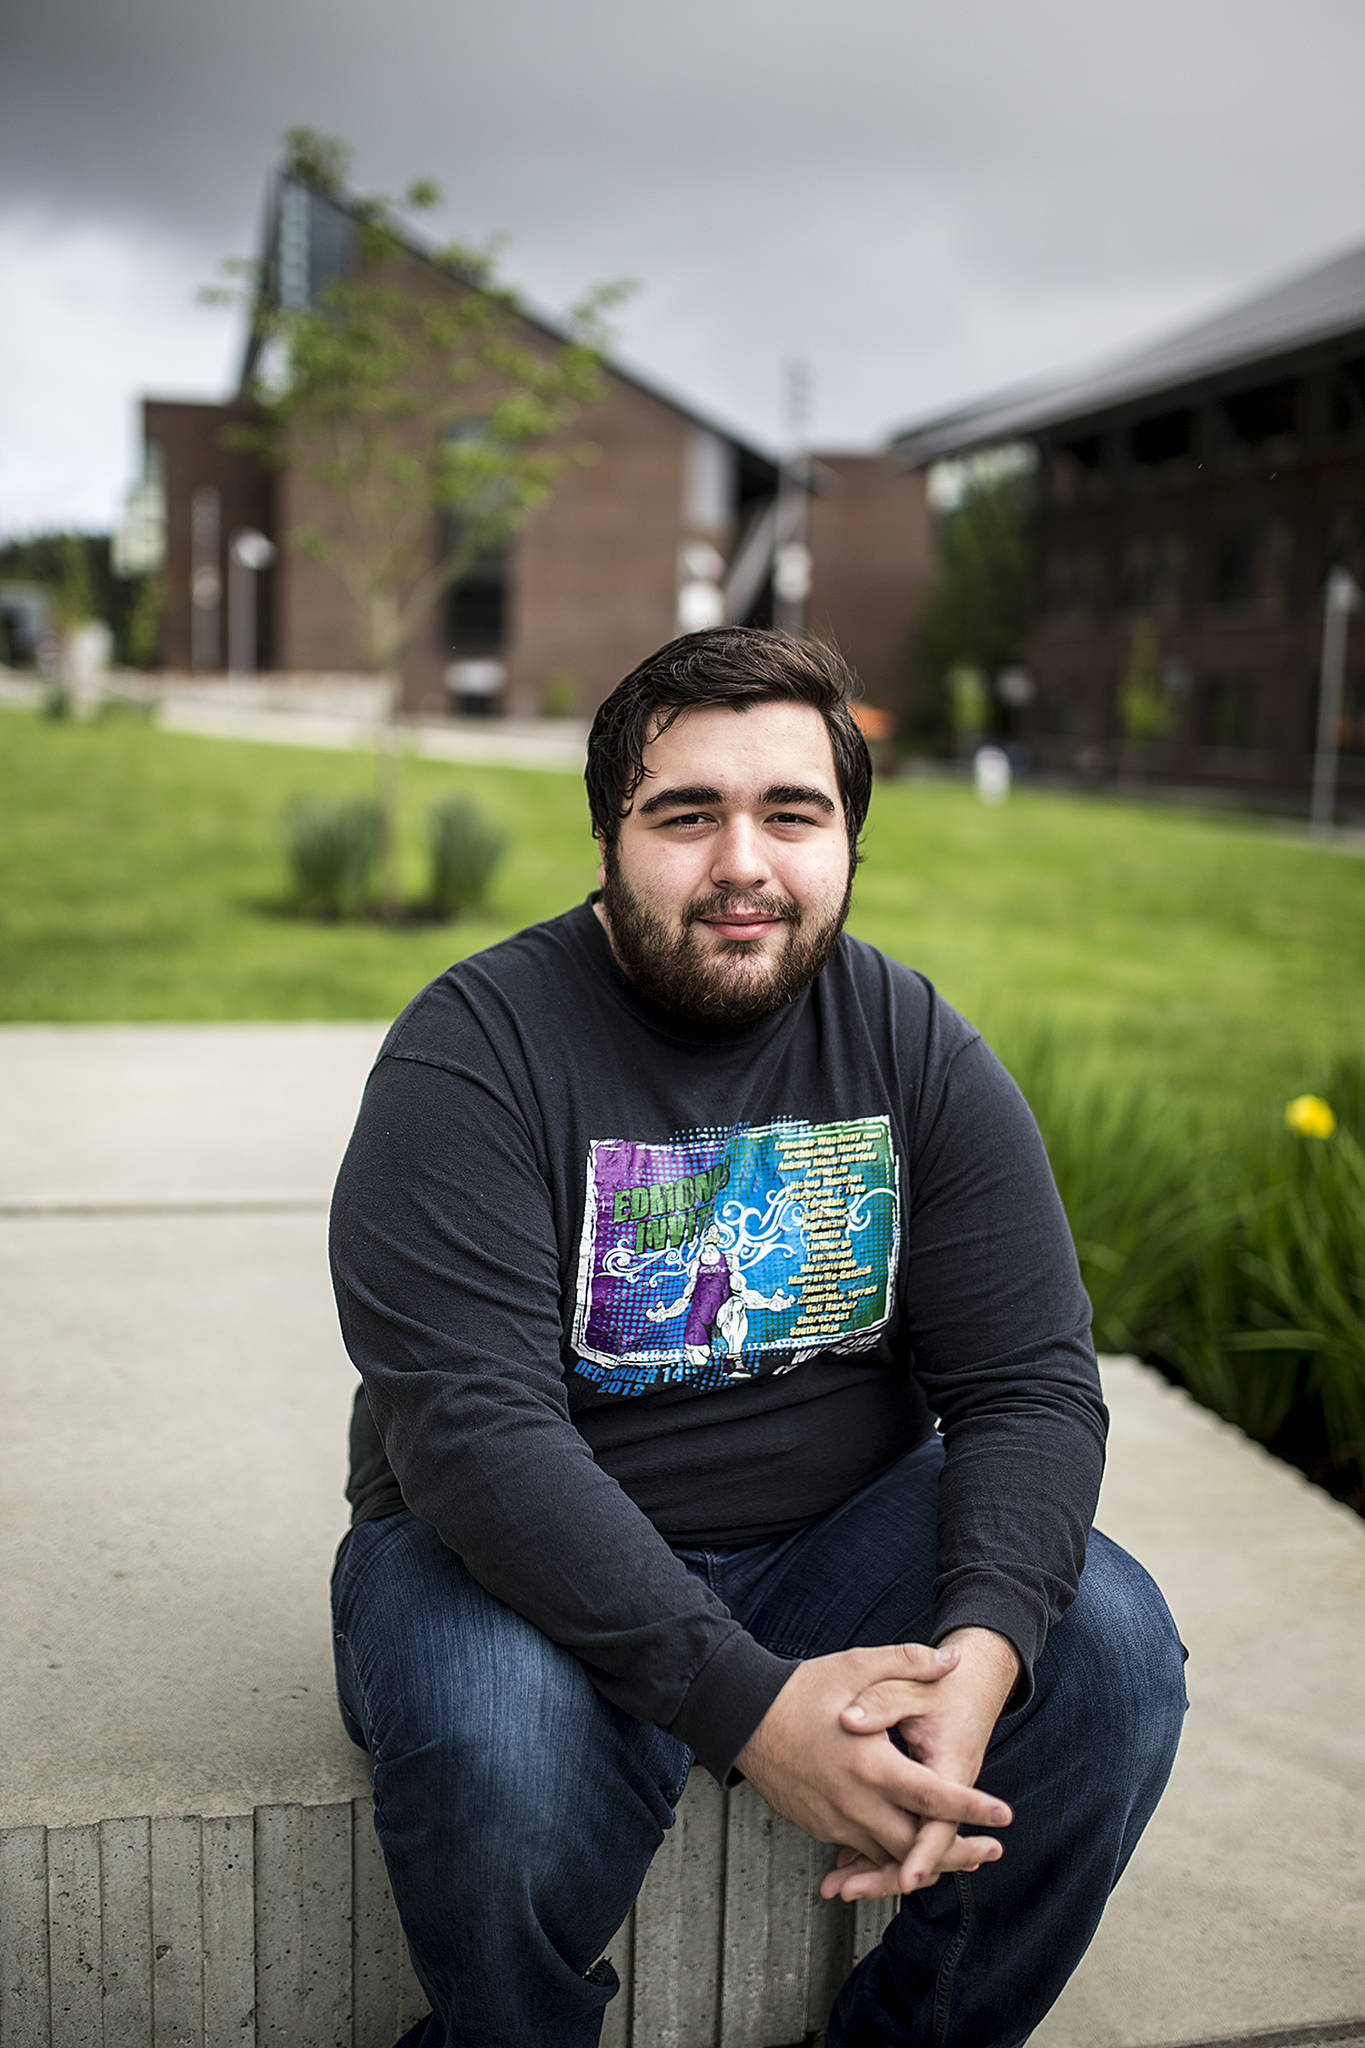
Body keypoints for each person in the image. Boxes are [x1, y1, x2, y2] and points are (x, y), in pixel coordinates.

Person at [329, 627, 1186, 2048]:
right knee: (494, 1741)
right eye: (686, 814)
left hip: (831, 1539)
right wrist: (749, 1713)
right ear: (608, 833)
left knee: (1102, 1647)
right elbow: (474, 1438)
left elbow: (1027, 1382)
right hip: (505, 1558)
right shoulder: (470, 1050)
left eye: (793, 813)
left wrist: (978, 1656)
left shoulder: (910, 1043)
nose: (745, 862)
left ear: (847, 836)